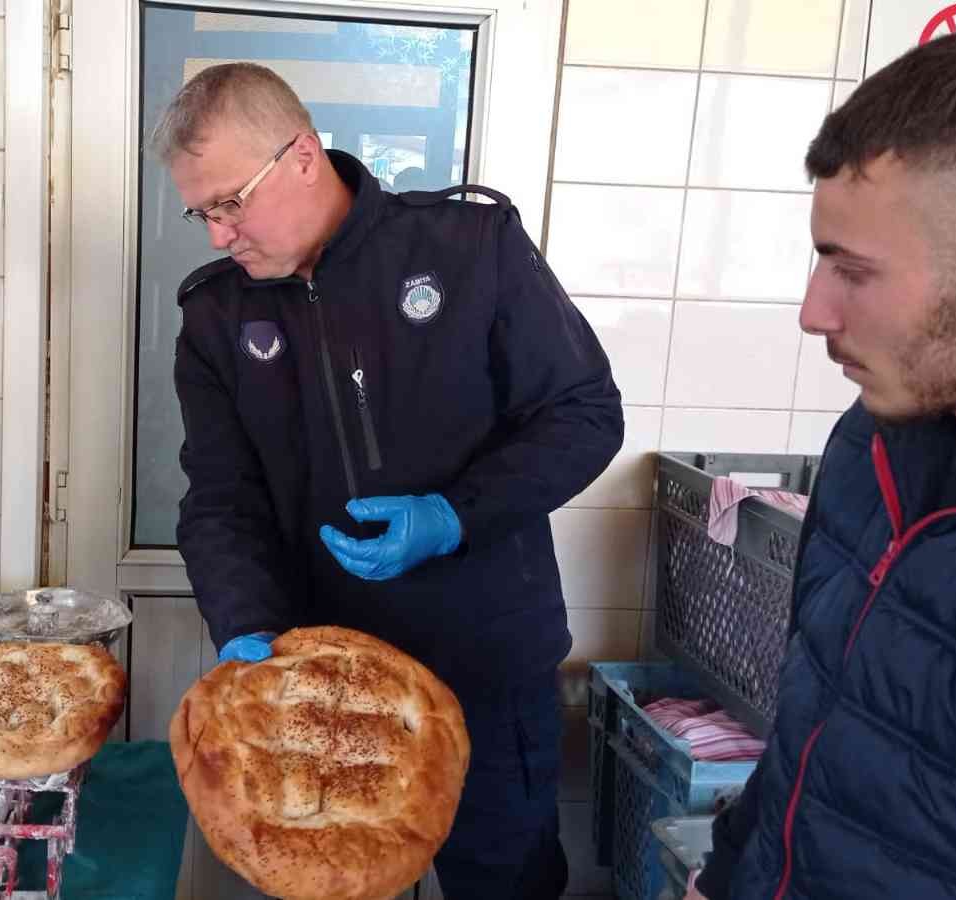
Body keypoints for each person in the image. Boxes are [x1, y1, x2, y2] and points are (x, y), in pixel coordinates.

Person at [153, 63, 624, 896]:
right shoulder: (218, 317)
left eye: (230, 202)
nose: (219, 235)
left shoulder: (469, 247)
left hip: (486, 662)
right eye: (203, 213)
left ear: (302, 156)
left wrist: (454, 515)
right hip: (315, 680)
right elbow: (221, 499)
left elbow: (584, 413)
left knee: (504, 880)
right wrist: (244, 625)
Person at [689, 8, 956, 899]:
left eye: (852, 269)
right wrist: (728, 873)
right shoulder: (873, 441)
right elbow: (817, 711)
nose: (813, 312)